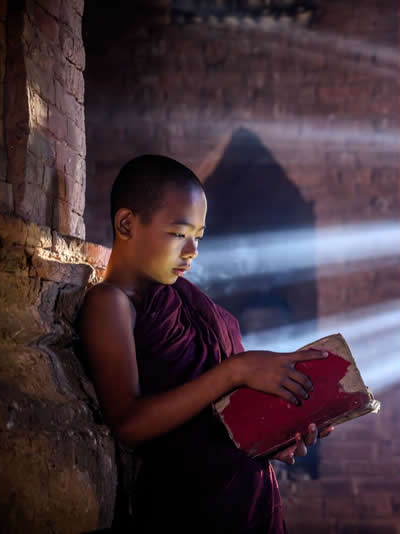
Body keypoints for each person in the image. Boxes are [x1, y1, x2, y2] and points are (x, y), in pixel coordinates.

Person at [77, 154, 331, 532]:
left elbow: (221, 412)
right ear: (127, 224)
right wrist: (236, 371)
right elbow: (128, 421)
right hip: (189, 506)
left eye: (198, 237)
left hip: (246, 498)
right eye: (179, 234)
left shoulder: (183, 299)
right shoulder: (111, 303)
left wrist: (271, 431)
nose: (192, 251)